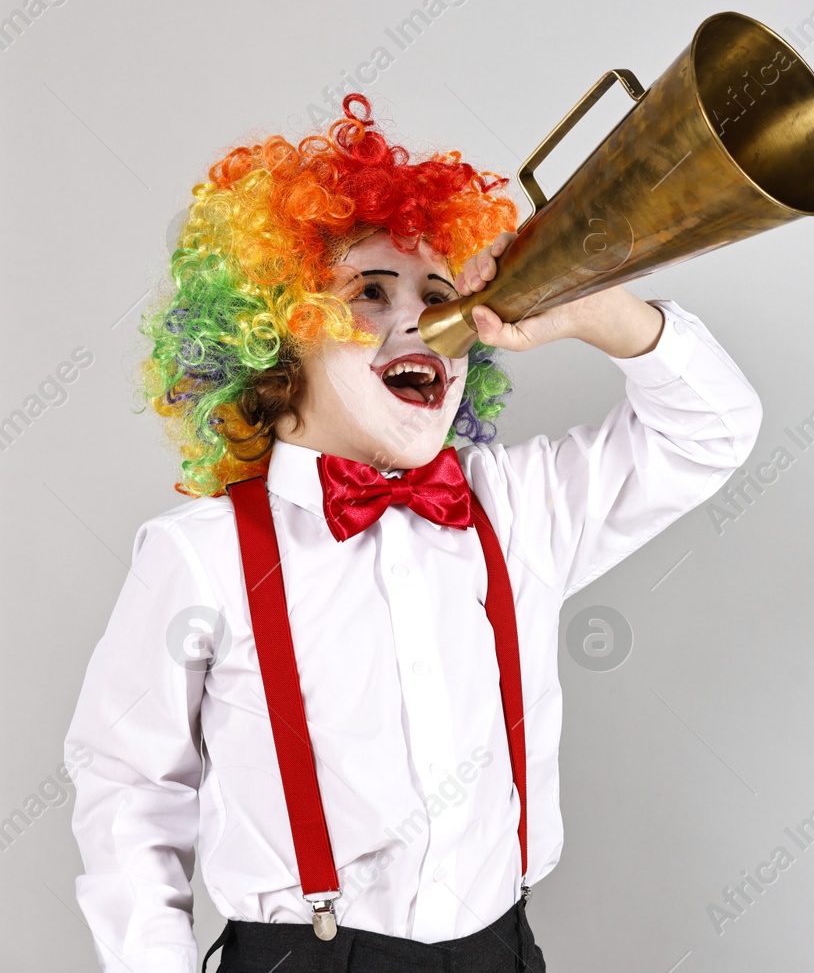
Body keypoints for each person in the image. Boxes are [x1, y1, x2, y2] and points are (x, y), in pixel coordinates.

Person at [61, 94, 762, 972]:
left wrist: (587, 304)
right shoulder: (198, 554)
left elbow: (712, 429)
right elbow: (128, 790)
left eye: (440, 296)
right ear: (274, 336)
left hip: (498, 951)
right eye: (369, 291)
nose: (421, 322)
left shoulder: (516, 508)